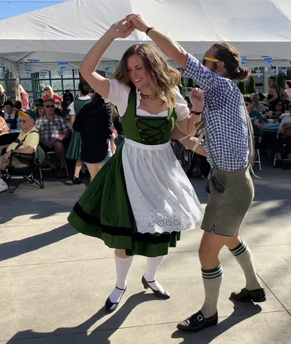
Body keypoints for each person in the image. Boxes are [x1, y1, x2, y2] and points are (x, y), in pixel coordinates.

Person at [126, 14, 263, 332]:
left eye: (205, 61)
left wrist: (146, 29)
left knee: (206, 252)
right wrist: (177, 132)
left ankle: (209, 312)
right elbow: (203, 147)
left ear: (219, 66)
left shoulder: (222, 85)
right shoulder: (219, 98)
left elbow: (178, 56)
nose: (199, 65)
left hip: (232, 187)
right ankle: (254, 287)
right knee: (230, 239)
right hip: (230, 183)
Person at [69, 17, 204, 315]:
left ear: (153, 66)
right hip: (129, 168)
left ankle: (151, 277)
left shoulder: (172, 95)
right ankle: (120, 285)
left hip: (163, 168)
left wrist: (195, 111)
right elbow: (86, 70)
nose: (134, 74)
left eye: (138, 68)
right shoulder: (122, 92)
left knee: (161, 231)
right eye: (129, 69)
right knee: (125, 233)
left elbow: (183, 131)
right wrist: (111, 34)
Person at [0, 110, 40, 194]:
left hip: (19, 160)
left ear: (32, 122)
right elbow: (16, 144)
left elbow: (29, 150)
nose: (21, 123)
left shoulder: (33, 134)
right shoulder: (24, 132)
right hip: (12, 157)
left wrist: (11, 152)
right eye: (20, 120)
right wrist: (2, 146)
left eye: (24, 121)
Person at [73, 92, 114, 181]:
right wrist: (112, 134)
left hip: (87, 151)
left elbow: (76, 126)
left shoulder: (86, 107)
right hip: (102, 150)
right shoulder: (107, 108)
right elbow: (106, 131)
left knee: (94, 181)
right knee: (106, 182)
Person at [35, 98, 69, 178]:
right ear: (44, 107)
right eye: (47, 106)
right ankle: (52, 166)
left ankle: (62, 167)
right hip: (43, 143)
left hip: (56, 141)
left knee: (59, 145)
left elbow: (66, 133)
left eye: (52, 106)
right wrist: (44, 142)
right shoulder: (39, 121)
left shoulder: (60, 119)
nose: (50, 108)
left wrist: (56, 140)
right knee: (34, 149)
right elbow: (36, 135)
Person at [66, 81, 92, 184]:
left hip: (78, 132)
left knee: (80, 155)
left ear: (80, 90)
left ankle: (75, 176)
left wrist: (74, 133)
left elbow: (72, 121)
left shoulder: (74, 103)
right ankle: (92, 176)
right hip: (91, 132)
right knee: (91, 155)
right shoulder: (93, 102)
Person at [273, 102, 291, 170]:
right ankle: (280, 160)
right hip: (285, 135)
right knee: (275, 141)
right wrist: (283, 128)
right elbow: (279, 129)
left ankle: (289, 161)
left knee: (290, 142)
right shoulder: (285, 118)